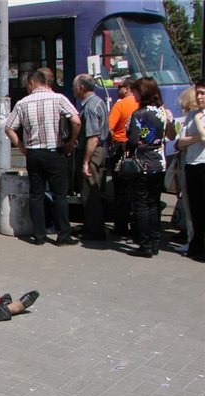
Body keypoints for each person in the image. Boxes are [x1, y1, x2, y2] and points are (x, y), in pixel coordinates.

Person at [5, 70, 81, 246]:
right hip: (55, 151)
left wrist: (21, 147)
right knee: (59, 196)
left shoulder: (22, 103)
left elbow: (9, 128)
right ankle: (63, 235)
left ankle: (39, 236)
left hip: (34, 154)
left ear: (32, 83)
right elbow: (76, 121)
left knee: (36, 195)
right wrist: (70, 141)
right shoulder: (59, 99)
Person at [125, 77, 176, 258]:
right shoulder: (163, 112)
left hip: (141, 164)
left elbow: (132, 140)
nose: (134, 94)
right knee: (154, 204)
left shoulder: (139, 114)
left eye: (136, 91)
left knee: (141, 205)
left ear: (143, 92)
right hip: (159, 163)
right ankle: (155, 242)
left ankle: (144, 244)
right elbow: (171, 135)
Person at [73, 74, 109, 241]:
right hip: (99, 150)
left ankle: (95, 230)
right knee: (91, 190)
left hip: (92, 151)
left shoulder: (90, 107)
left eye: (74, 87)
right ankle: (91, 226)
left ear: (81, 88)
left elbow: (93, 137)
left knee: (90, 192)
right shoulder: (99, 102)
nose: (73, 90)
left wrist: (86, 162)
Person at [176, 79, 205, 261]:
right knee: (195, 208)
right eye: (198, 93)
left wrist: (197, 123)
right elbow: (180, 142)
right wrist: (196, 135)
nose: (200, 97)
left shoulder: (195, 117)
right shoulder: (192, 114)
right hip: (191, 163)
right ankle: (197, 243)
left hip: (204, 163)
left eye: (203, 93)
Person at [108, 78, 139, 237]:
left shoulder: (120, 104)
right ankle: (137, 225)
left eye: (119, 86)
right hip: (139, 149)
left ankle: (121, 226)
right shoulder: (143, 104)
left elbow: (110, 128)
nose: (118, 89)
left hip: (121, 147)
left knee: (120, 189)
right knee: (136, 189)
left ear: (127, 88)